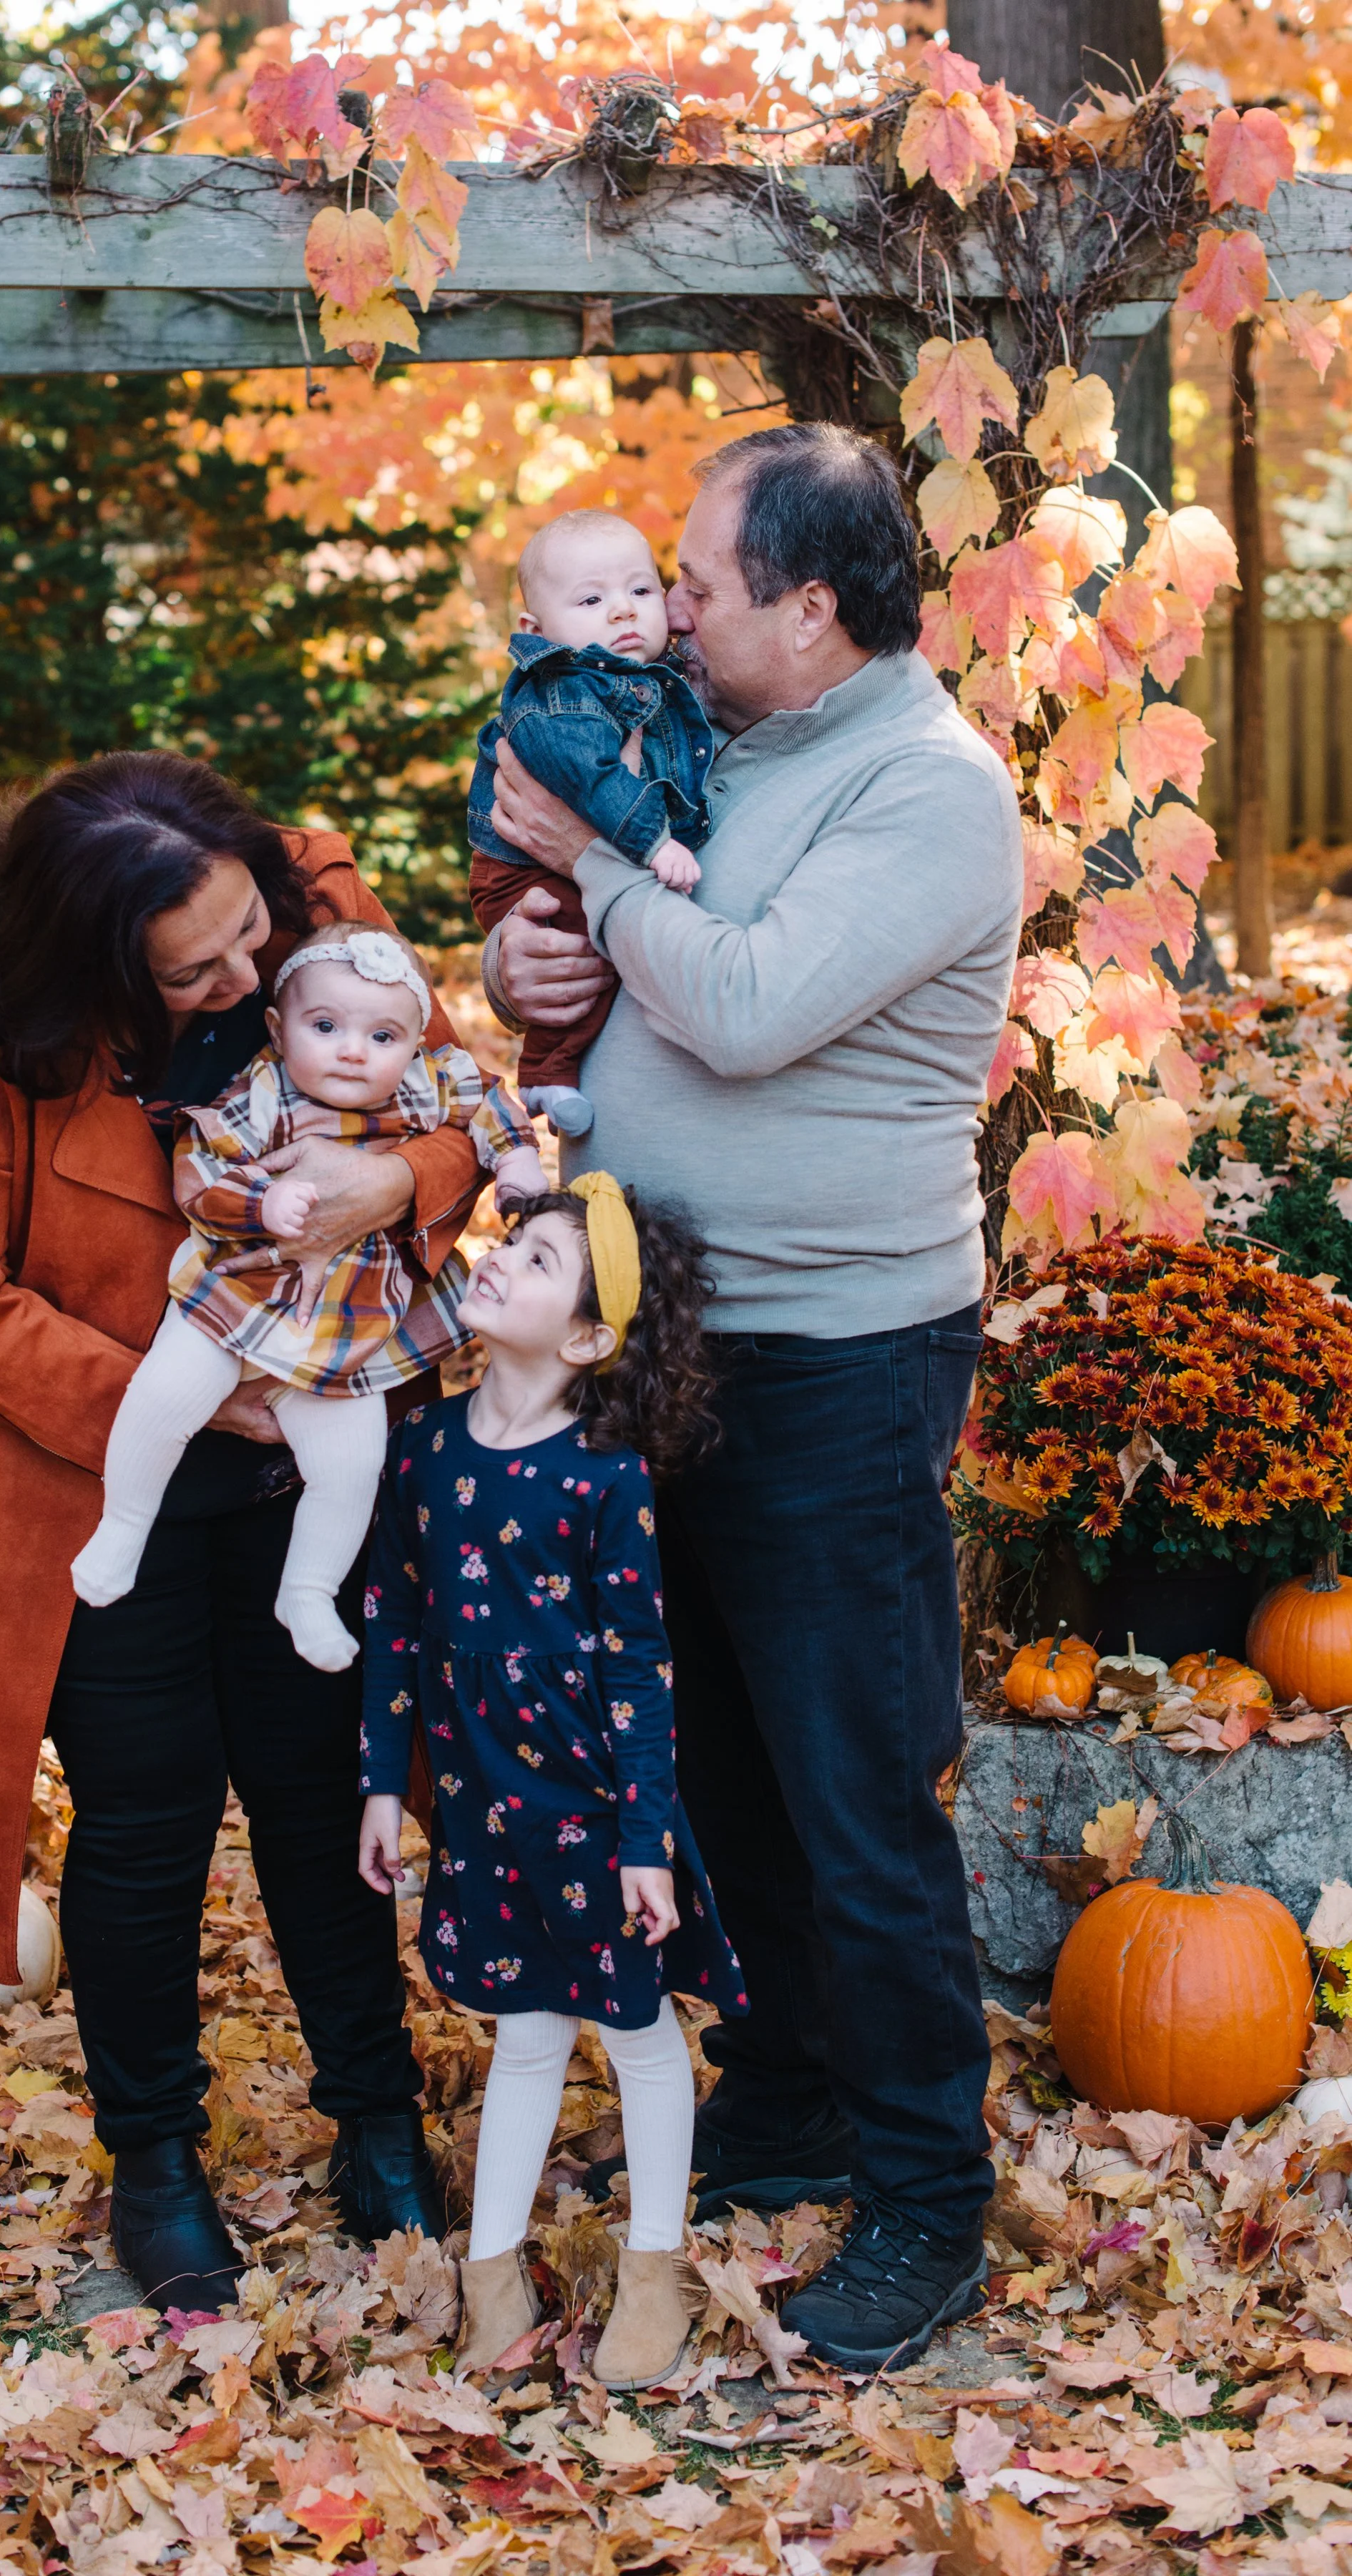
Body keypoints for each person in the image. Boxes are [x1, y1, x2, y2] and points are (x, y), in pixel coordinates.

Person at [481, 422, 1025, 2373]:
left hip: (839, 1359)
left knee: (853, 1788)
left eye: (703, 581)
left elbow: (745, 998)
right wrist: (532, 945)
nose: (670, 606)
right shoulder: (723, 740)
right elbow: (610, 974)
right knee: (710, 1762)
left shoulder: (930, 791)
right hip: (663, 1341)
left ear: (812, 608)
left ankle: (925, 2198)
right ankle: (787, 2093)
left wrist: (596, 869)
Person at [0, 752, 489, 2319]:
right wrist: (185, 1399)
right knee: (142, 1825)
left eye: (247, 934)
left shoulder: (307, 916)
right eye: (194, 968)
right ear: (98, 971)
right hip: (97, 1481)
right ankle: (153, 2158)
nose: (245, 974)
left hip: (315, 1455)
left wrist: (389, 1178)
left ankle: (376, 2123)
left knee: (317, 1796)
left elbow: (456, 1103)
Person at [358, 1176, 745, 2391]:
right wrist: (383, 1783)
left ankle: (651, 2272)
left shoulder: (602, 1477)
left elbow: (640, 1660)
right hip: (480, 1805)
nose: (495, 1262)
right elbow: (393, 1621)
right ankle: (492, 2280)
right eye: (507, 1242)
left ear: (585, 1336)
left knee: (633, 2031)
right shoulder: (422, 1449)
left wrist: (643, 1833)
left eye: (533, 1261)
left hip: (588, 1803)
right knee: (522, 2032)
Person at [70, 922, 546, 1667]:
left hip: (351, 1319)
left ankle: (309, 1591)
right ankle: (125, 1523)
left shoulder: (428, 1082)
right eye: (325, 1026)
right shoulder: (264, 1092)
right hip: (236, 1298)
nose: (352, 1050)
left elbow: (492, 1103)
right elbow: (199, 1173)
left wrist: (515, 1164)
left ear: (418, 1041)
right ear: (278, 1026)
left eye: (383, 1035)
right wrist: (260, 1205)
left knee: (351, 1465)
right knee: (165, 1396)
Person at [467, 510, 715, 1138]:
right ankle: (548, 1076)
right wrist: (653, 845)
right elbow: (592, 783)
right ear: (536, 628)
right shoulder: (560, 693)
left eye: (640, 590)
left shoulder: (652, 680)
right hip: (525, 869)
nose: (624, 612)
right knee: (576, 947)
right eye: (591, 599)